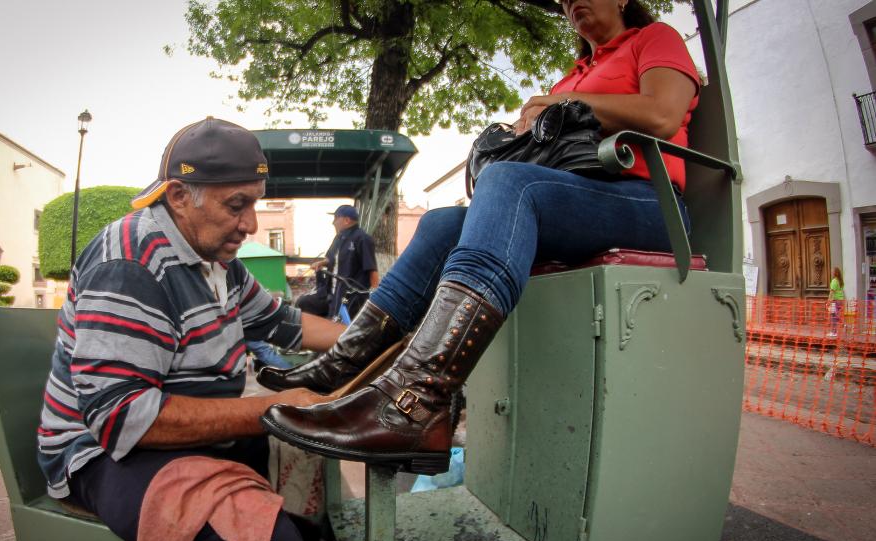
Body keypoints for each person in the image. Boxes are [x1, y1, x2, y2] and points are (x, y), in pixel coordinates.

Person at [258, 0, 701, 475]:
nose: (573, 3)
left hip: (648, 203)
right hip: (572, 198)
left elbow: (662, 115)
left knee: (510, 182)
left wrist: (557, 104)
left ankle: (413, 402)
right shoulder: (573, 74)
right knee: (441, 223)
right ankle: (341, 364)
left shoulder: (653, 40)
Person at [36, 117, 353, 541]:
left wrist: (377, 338)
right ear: (181, 195)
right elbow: (125, 420)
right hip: (101, 456)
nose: (250, 223)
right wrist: (277, 406)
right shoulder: (133, 263)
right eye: (237, 205)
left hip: (171, 437)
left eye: (254, 203)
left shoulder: (218, 260)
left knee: (306, 459)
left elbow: (284, 323)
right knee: (245, 525)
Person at [294, 205, 379, 319]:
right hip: (329, 291)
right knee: (303, 303)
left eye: (336, 218)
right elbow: (331, 258)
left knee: (335, 322)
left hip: (349, 295)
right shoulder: (339, 237)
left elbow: (371, 269)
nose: (333, 223)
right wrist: (321, 263)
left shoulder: (362, 239)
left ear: (346, 220)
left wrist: (375, 298)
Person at [828, 266, 845, 337]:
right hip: (841, 300)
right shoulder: (840, 281)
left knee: (833, 316)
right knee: (837, 315)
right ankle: (843, 324)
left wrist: (828, 300)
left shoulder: (834, 281)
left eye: (832, 271)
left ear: (835, 273)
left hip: (835, 301)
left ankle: (834, 332)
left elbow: (832, 292)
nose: (831, 272)